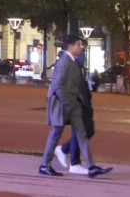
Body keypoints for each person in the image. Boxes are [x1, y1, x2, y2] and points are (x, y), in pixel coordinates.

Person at [38, 34, 112, 178]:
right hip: (62, 104)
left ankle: (91, 167)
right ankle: (44, 165)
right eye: (78, 45)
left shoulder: (71, 62)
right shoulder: (64, 62)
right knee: (56, 133)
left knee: (81, 134)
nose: (80, 47)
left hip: (71, 104)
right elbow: (58, 86)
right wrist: (69, 103)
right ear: (71, 47)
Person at [55, 47, 95, 175]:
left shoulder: (76, 65)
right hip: (77, 103)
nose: (81, 53)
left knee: (85, 131)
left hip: (81, 102)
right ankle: (74, 162)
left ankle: (66, 152)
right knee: (83, 131)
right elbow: (62, 85)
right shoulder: (68, 64)